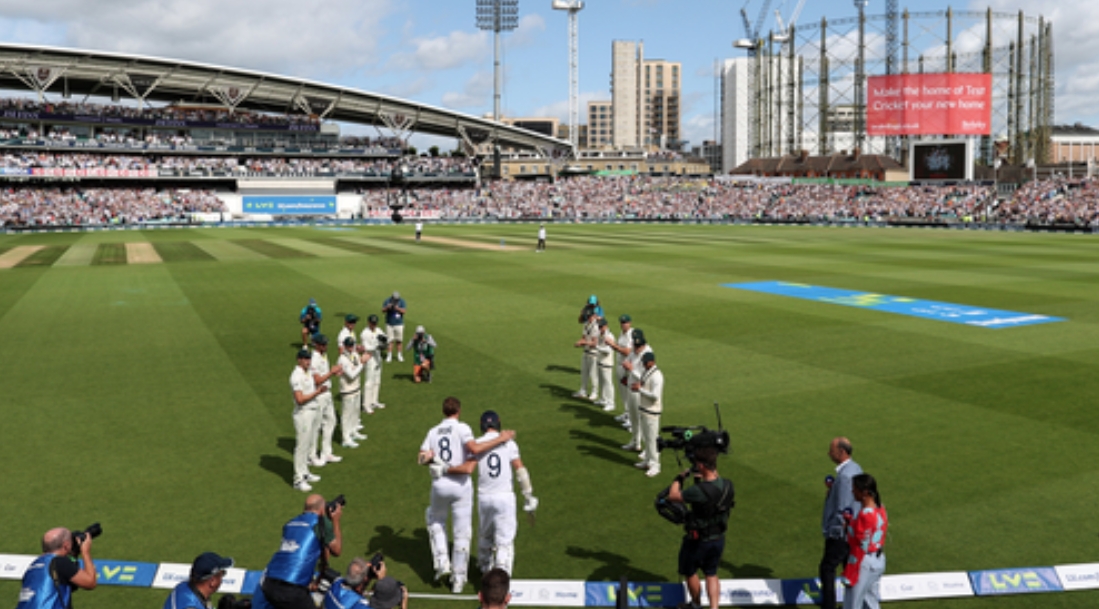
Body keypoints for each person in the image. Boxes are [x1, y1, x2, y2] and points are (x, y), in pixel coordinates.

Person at [417, 397, 515, 593]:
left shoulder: (433, 431)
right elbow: (475, 450)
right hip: (461, 486)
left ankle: (442, 561)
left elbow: (421, 458)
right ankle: (458, 581)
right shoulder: (463, 429)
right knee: (462, 534)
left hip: (439, 486)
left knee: (435, 519)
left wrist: (435, 462)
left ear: (443, 411)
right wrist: (501, 438)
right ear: (458, 411)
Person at [667, 447, 735, 609]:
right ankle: (714, 607)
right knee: (711, 573)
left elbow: (673, 496)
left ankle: (696, 605)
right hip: (718, 538)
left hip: (698, 540)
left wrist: (679, 478)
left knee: (690, 571)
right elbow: (713, 488)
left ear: (702, 466)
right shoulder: (728, 485)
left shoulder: (698, 491)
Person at [471, 410, 537, 576]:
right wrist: (528, 495)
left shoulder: (477, 443)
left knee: (485, 535)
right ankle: (501, 576)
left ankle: (485, 569)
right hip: (505, 497)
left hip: (484, 497)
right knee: (504, 541)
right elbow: (520, 470)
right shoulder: (509, 443)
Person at [260, 494, 343, 609]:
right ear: (321, 509)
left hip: (269, 584)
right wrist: (335, 520)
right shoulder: (320, 522)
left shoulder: (290, 524)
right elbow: (336, 550)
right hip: (291, 590)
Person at [819, 437, 863, 609]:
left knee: (827, 568)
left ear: (841, 452)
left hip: (841, 533)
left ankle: (829, 605)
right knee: (848, 570)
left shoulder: (844, 476)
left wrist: (834, 530)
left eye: (832, 450)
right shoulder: (856, 468)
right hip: (851, 532)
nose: (829, 453)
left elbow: (843, 508)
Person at [16, 528, 97, 609]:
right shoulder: (59, 562)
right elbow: (90, 582)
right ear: (66, 545)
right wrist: (85, 552)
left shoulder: (33, 566)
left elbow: (67, 586)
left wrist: (74, 556)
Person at [842, 474, 888, 609]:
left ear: (864, 492)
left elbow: (861, 543)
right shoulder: (881, 508)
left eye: (855, 489)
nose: (852, 491)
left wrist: (849, 527)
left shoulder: (865, 514)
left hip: (863, 562)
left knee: (853, 603)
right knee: (871, 601)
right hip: (878, 560)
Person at [290, 349, 326, 492]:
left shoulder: (308, 372)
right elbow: (299, 400)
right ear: (299, 359)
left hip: (311, 411)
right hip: (303, 414)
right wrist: (317, 392)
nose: (308, 361)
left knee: (308, 443)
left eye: (309, 359)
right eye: (305, 359)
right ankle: (298, 480)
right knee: (301, 446)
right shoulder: (296, 376)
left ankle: (305, 472)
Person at [310, 334, 344, 467]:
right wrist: (331, 372)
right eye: (323, 344)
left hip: (327, 394)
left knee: (331, 421)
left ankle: (326, 453)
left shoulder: (324, 356)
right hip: (319, 395)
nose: (326, 346)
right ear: (316, 345)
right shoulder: (314, 359)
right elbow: (317, 380)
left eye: (326, 344)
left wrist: (335, 373)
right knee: (316, 426)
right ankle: (311, 456)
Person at [632, 351, 664, 477]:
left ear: (652, 362)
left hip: (652, 412)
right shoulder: (647, 372)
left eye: (646, 362)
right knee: (646, 438)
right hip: (644, 409)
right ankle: (647, 461)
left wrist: (639, 390)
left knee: (652, 439)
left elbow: (655, 396)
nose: (644, 364)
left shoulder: (657, 376)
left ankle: (656, 465)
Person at [620, 329, 652, 455]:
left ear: (643, 345)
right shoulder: (633, 353)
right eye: (635, 345)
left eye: (638, 346)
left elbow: (645, 377)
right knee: (633, 418)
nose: (635, 348)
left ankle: (647, 448)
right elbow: (628, 361)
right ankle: (635, 442)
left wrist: (631, 369)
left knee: (642, 420)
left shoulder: (647, 355)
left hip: (641, 392)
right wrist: (626, 373)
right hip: (631, 388)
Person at [163, 552, 233, 609]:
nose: (222, 578)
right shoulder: (190, 606)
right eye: (222, 574)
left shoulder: (183, 587)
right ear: (212, 581)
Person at [337, 337, 367, 448]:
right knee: (346, 414)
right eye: (348, 345)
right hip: (347, 390)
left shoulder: (354, 355)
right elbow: (351, 375)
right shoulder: (342, 359)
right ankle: (346, 438)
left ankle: (353, 431)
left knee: (355, 412)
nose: (350, 347)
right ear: (344, 346)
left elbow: (361, 369)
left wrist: (362, 362)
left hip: (357, 388)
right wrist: (362, 363)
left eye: (352, 345)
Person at [572, 298, 601, 401]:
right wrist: (579, 342)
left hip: (593, 353)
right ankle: (583, 390)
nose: (588, 318)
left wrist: (584, 343)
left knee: (593, 374)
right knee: (584, 373)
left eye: (590, 316)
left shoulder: (596, 327)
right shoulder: (586, 324)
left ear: (594, 316)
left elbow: (594, 343)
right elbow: (583, 337)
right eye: (587, 316)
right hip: (585, 351)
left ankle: (594, 392)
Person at [609, 314, 636, 423]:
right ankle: (626, 413)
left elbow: (627, 351)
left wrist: (613, 345)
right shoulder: (622, 333)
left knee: (629, 393)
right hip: (620, 365)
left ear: (630, 323)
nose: (623, 325)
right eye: (622, 323)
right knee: (623, 392)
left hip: (627, 368)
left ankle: (631, 417)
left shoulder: (631, 335)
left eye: (625, 323)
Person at [359, 315, 387, 413]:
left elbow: (384, 338)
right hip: (369, 359)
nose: (373, 325)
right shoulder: (364, 333)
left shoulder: (378, 330)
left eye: (375, 323)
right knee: (369, 382)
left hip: (378, 358)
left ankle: (374, 401)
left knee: (377, 381)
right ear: (368, 322)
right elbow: (367, 348)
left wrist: (384, 340)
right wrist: (377, 344)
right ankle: (366, 405)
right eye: (372, 323)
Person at [592, 318, 616, 410]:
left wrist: (597, 347)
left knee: (608, 383)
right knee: (601, 382)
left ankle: (611, 403)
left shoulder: (610, 336)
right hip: (600, 361)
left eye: (601, 326)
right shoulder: (599, 334)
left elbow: (608, 351)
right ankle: (603, 399)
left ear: (606, 326)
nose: (600, 328)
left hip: (607, 363)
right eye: (599, 326)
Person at [381, 292, 406, 362]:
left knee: (399, 340)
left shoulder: (402, 301)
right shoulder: (387, 300)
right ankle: (389, 355)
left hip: (399, 324)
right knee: (390, 340)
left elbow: (404, 311)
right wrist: (387, 307)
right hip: (389, 324)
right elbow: (382, 310)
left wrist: (397, 308)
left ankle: (399, 355)